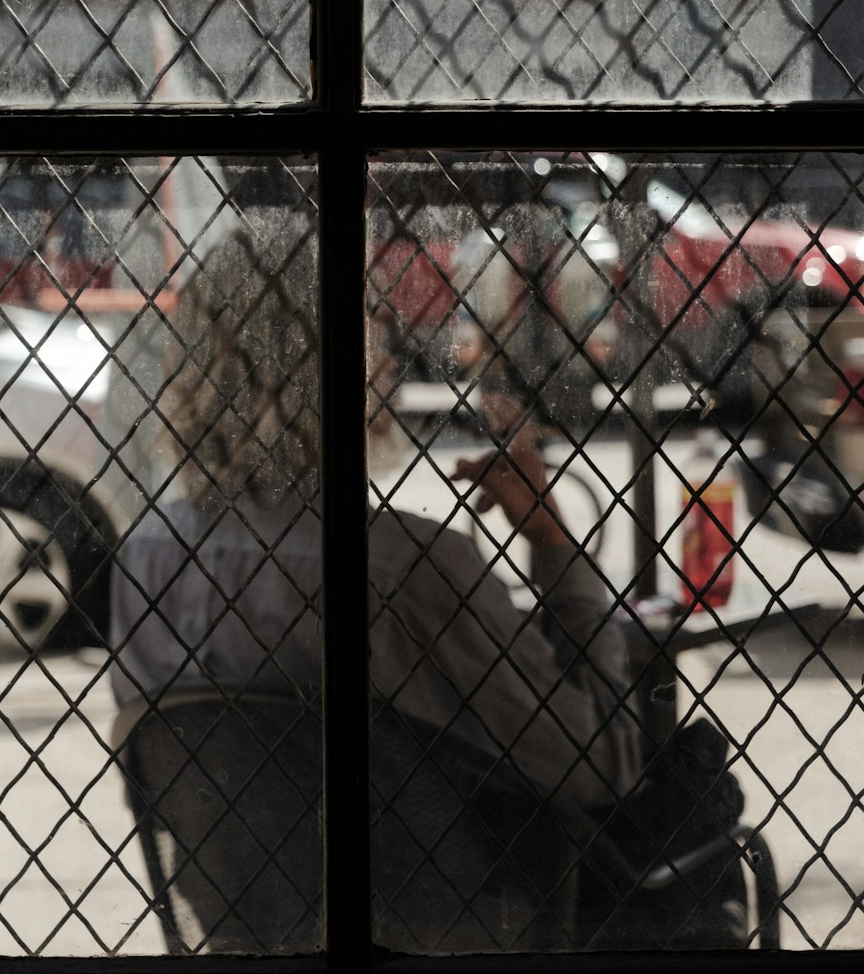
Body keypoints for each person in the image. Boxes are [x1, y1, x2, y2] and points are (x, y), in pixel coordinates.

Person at [108, 214, 641, 953]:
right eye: (367, 317)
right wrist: (551, 541)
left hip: (252, 931)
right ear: (315, 358)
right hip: (451, 927)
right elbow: (595, 766)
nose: (388, 344)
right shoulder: (406, 566)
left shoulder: (147, 557)